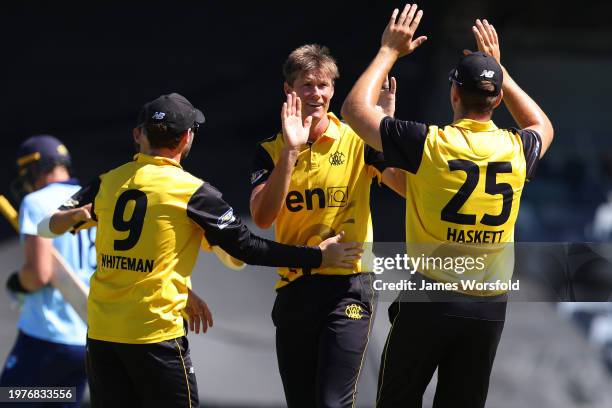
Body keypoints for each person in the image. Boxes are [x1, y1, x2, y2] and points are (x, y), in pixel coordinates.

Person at [40, 92, 362, 408]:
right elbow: (246, 249)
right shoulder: (192, 192)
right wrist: (317, 257)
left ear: (139, 136)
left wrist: (83, 214)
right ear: (186, 139)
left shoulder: (107, 183)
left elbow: (47, 226)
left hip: (103, 338)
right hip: (155, 337)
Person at [342, 5, 554, 408]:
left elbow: (353, 110)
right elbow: (543, 125)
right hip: (488, 307)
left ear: (454, 92)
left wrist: (389, 49)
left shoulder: (431, 144)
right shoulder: (515, 149)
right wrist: (499, 72)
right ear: (495, 100)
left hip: (430, 298)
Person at [249, 44, 404, 408]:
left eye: (323, 85)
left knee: (332, 402)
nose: (316, 93)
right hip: (296, 286)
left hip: (348, 287)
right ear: (289, 91)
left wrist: (387, 133)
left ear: (334, 90)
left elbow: (404, 186)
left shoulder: (358, 140)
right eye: (306, 85)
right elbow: (262, 217)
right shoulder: (270, 150)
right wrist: (290, 150)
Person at [1, 135, 96, 407]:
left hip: (46, 338)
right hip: (86, 340)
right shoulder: (93, 200)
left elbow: (38, 275)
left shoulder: (36, 202)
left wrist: (17, 283)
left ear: (35, 169)